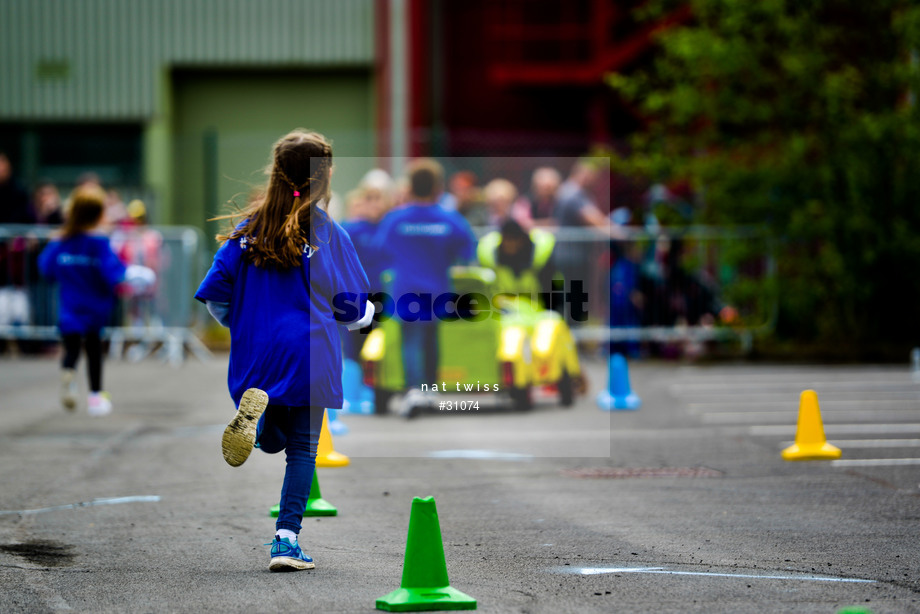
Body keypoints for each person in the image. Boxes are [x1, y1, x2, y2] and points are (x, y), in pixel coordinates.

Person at [195, 129, 373, 572]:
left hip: (257, 353)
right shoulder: (329, 233)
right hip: (310, 350)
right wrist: (368, 316)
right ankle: (285, 540)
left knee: (274, 438)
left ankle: (259, 424)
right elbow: (350, 308)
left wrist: (247, 324)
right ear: (325, 175)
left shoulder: (245, 233)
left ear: (275, 173)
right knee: (302, 450)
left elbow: (217, 298)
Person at [38, 185, 154, 415]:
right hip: (95, 308)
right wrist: (132, 274)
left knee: (71, 349)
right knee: (93, 352)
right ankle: (95, 397)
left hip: (70, 307)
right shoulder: (99, 242)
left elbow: (46, 268)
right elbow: (112, 272)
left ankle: (68, 373)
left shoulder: (61, 240)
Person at [372, 158, 476, 414]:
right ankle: (429, 390)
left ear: (409, 186)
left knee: (411, 340)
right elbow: (468, 251)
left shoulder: (395, 219)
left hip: (406, 288)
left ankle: (414, 390)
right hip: (438, 288)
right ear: (437, 187)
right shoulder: (449, 219)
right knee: (432, 338)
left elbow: (379, 250)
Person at [476, 218, 557, 312]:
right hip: (503, 311)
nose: (510, 245)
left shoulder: (538, 257)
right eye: (507, 239)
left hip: (535, 311)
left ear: (521, 240)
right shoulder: (491, 256)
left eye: (513, 239)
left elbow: (549, 287)